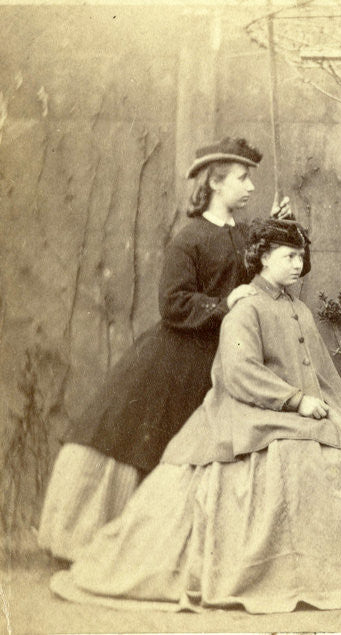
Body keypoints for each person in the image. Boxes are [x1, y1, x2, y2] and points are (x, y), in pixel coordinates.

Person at [50, 218, 341, 613]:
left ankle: (331, 570)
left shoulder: (298, 309)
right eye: (288, 256)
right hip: (249, 409)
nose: (296, 265)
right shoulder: (245, 309)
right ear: (263, 259)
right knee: (292, 462)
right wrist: (295, 401)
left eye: (300, 257)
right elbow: (239, 373)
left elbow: (320, 371)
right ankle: (275, 571)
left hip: (300, 408)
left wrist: (334, 409)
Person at [38, 138, 294, 562]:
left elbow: (263, 267)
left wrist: (277, 228)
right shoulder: (189, 239)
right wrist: (223, 303)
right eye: (242, 178)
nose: (250, 186)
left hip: (223, 355)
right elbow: (173, 302)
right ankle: (100, 539)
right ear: (215, 182)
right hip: (176, 357)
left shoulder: (245, 234)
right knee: (147, 440)